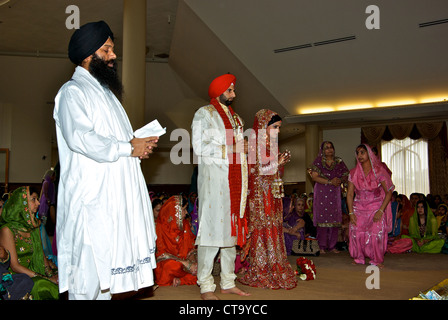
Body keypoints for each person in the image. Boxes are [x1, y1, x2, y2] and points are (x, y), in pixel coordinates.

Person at [53, 21, 159, 300]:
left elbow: (118, 141)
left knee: (106, 280)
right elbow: (82, 139)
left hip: (112, 202)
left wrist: (138, 144)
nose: (113, 56)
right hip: (90, 203)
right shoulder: (71, 92)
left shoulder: (107, 95)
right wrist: (127, 147)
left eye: (112, 49)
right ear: (88, 54)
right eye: (107, 49)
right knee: (87, 278)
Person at [191, 73, 250, 300]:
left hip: (234, 184)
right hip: (214, 182)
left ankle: (227, 281)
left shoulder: (237, 119)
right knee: (211, 232)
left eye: (234, 90)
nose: (234, 95)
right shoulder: (204, 114)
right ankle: (205, 285)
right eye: (230, 91)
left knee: (230, 235)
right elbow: (199, 146)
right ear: (219, 92)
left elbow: (241, 151)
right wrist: (231, 149)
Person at [238, 109, 297, 290]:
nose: (278, 131)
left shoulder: (271, 146)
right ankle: (262, 267)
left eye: (279, 127)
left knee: (273, 227)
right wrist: (277, 163)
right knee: (263, 228)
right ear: (264, 126)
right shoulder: (256, 145)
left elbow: (272, 174)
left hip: (272, 194)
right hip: (260, 197)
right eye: (275, 127)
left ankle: (275, 263)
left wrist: (278, 164)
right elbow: (255, 172)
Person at [0, 187, 59, 299]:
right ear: (21, 203)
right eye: (33, 199)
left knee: (61, 278)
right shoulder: (7, 230)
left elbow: (42, 256)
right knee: (43, 286)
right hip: (17, 277)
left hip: (35, 271)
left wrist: (52, 275)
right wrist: (45, 278)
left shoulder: (34, 227)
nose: (38, 202)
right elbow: (14, 266)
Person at [347, 144, 394, 268]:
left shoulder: (379, 171)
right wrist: (351, 212)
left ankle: (377, 259)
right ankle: (359, 257)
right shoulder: (353, 173)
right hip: (358, 207)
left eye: (362, 152)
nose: (360, 155)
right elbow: (350, 194)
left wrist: (381, 210)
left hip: (375, 207)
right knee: (356, 232)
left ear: (369, 154)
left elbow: (389, 192)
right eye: (358, 153)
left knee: (376, 233)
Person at [308, 141, 349, 253]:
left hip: (334, 192)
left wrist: (340, 181)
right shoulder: (318, 162)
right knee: (322, 219)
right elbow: (314, 177)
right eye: (326, 148)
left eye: (331, 147)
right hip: (322, 191)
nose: (329, 150)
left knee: (334, 219)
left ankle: (332, 246)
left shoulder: (339, 161)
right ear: (322, 150)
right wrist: (330, 181)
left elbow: (346, 174)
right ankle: (321, 246)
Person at [154, 195, 198, 287]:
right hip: (169, 263)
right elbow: (161, 255)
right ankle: (178, 279)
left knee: (201, 268)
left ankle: (179, 281)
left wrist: (192, 261)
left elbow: (191, 248)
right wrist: (184, 263)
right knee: (169, 266)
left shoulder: (185, 225)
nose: (186, 213)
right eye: (184, 209)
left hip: (185, 264)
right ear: (176, 211)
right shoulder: (161, 227)